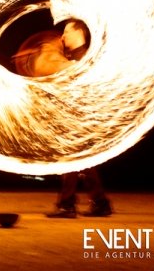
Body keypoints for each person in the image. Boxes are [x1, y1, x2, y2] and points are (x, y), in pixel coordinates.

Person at [44, 20, 112, 218]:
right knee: (80, 161)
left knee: (72, 159)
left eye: (66, 31)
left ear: (78, 32)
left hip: (79, 117)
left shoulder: (83, 59)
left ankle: (68, 205)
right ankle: (99, 203)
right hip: (75, 117)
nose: (62, 36)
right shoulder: (73, 58)